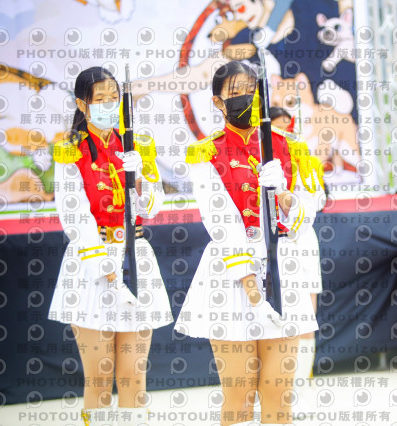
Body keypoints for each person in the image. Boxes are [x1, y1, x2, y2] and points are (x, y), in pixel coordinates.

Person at [174, 60, 320, 426]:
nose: (244, 98)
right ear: (218, 102)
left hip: (281, 269)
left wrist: (286, 197)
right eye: (234, 92)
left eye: (250, 90)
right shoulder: (206, 152)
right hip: (233, 277)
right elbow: (219, 219)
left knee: (279, 396)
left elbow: (311, 204)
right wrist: (252, 290)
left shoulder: (289, 145)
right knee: (239, 398)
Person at [48, 66, 173, 426]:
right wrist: (107, 270)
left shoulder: (137, 144)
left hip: (135, 253)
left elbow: (153, 208)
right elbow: (74, 215)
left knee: (133, 374)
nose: (108, 104)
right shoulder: (70, 149)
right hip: (93, 262)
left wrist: (142, 179)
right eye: (99, 98)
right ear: (82, 104)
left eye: (113, 97)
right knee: (100, 375)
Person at [271, 105, 325, 416]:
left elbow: (319, 199)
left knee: (306, 318)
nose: (284, 132)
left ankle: (301, 389)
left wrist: (290, 198)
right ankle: (276, 390)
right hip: (268, 246)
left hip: (301, 241)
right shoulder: (253, 158)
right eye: (277, 127)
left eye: (287, 126)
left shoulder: (303, 156)